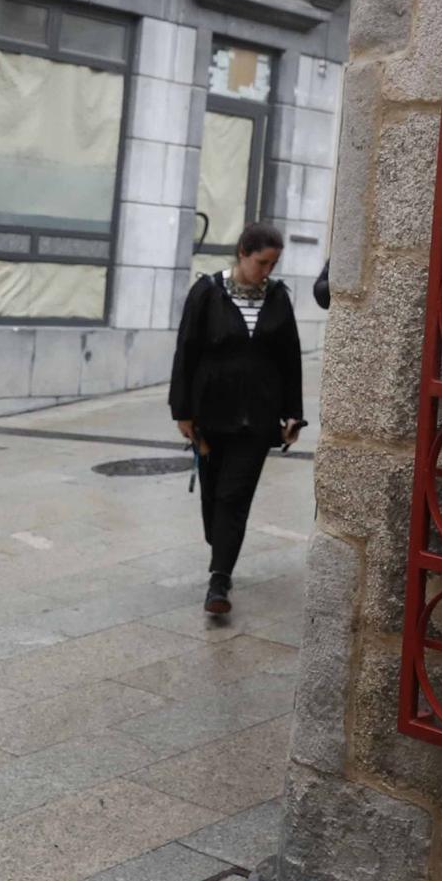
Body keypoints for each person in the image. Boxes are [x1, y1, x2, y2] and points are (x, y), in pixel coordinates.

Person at [170, 222, 305, 616]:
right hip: (211, 415)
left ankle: (219, 580)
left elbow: (290, 358)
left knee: (234, 496)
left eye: (273, 264)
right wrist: (182, 411)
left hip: (258, 419)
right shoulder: (208, 291)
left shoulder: (278, 298)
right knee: (213, 497)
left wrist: (293, 414)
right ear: (243, 253)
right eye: (262, 262)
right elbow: (186, 351)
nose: (267, 271)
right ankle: (221, 547)